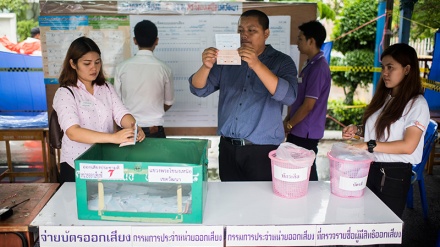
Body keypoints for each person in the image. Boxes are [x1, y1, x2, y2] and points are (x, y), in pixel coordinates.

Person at [189, 9, 298, 182]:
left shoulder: (281, 61)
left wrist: (256, 64)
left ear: (266, 33)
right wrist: (206, 66)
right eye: (240, 30)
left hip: (263, 150)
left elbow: (289, 96)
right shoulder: (228, 58)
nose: (244, 35)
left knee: (260, 204)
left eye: (251, 30)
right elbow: (198, 89)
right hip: (228, 147)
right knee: (230, 202)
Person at [342, 43, 430, 218]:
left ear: (406, 69)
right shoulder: (386, 97)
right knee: (365, 226)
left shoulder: (417, 104)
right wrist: (357, 130)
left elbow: (408, 146)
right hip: (372, 168)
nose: (385, 73)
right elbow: (381, 131)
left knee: (384, 230)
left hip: (393, 176)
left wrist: (368, 145)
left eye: (391, 67)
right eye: (383, 67)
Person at [53, 36, 145, 183]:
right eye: (86, 63)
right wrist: (113, 138)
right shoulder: (65, 93)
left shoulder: (106, 88)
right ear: (73, 64)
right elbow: (73, 132)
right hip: (75, 165)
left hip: (103, 162)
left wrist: (134, 127)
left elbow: (121, 113)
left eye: (97, 62)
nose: (94, 68)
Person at [284, 20, 331, 181]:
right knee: (298, 169)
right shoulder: (310, 64)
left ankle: (311, 202)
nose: (297, 42)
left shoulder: (319, 67)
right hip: (299, 127)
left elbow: (309, 105)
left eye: (300, 39)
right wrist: (288, 120)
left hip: (305, 131)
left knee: (306, 171)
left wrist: (290, 124)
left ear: (311, 41)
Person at [114, 20, 174, 138]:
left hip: (129, 130)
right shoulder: (165, 69)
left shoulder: (121, 68)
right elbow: (168, 102)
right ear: (156, 41)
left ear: (135, 40)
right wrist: (152, 111)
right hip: (155, 131)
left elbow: (116, 103)